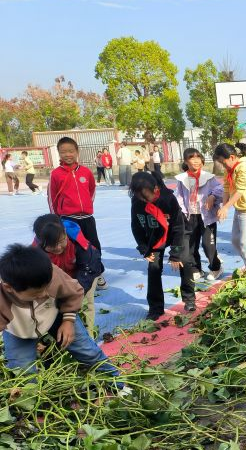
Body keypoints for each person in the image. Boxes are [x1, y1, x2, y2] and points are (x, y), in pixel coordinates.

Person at [0, 244, 126, 394]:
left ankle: (117, 384)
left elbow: (73, 293)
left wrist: (68, 321)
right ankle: (32, 400)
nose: (44, 294)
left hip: (56, 314)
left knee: (87, 351)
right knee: (22, 369)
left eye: (46, 288)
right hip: (18, 328)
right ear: (9, 288)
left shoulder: (50, 274)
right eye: (36, 294)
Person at [130, 172, 195, 318]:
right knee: (153, 268)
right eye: (140, 197)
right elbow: (136, 226)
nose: (144, 200)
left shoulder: (167, 199)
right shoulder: (137, 202)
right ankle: (155, 308)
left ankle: (189, 298)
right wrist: (144, 248)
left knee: (184, 261)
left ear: (155, 189)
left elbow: (178, 227)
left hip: (178, 233)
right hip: (156, 237)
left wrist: (175, 253)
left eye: (147, 196)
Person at [47, 137, 107, 291]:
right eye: (63, 152)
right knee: (74, 250)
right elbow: (52, 197)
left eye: (71, 151)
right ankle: (77, 280)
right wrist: (56, 218)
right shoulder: (56, 174)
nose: (68, 154)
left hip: (87, 218)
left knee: (94, 246)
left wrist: (87, 206)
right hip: (68, 220)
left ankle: (98, 274)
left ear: (77, 152)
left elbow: (91, 190)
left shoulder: (86, 172)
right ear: (59, 153)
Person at [32, 214, 104, 336]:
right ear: (40, 241)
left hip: (83, 276)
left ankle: (88, 336)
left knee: (84, 305)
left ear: (65, 232)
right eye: (52, 245)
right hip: (56, 282)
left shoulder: (80, 244)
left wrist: (74, 295)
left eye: (61, 241)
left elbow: (88, 270)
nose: (58, 247)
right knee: (52, 309)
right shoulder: (35, 254)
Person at [174, 148, 224, 282]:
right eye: (192, 158)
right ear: (186, 161)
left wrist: (212, 196)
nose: (196, 161)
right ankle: (196, 269)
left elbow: (220, 189)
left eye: (198, 158)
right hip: (190, 216)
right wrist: (182, 212)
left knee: (208, 245)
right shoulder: (182, 178)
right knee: (191, 245)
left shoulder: (208, 177)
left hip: (207, 217)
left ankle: (216, 267)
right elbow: (179, 196)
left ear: (202, 160)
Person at [213, 143, 246, 271]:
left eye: (223, 162)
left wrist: (226, 208)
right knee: (235, 240)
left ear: (232, 157)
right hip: (239, 209)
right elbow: (226, 188)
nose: (223, 166)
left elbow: (240, 191)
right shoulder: (229, 169)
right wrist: (223, 207)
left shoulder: (243, 167)